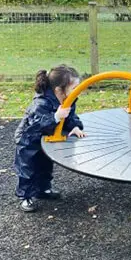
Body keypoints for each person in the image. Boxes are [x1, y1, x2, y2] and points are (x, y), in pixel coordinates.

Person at [14, 65, 85, 212]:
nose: (78, 91)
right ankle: (26, 196)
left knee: (45, 165)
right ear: (59, 90)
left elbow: (70, 116)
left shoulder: (69, 99)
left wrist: (74, 126)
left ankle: (43, 190)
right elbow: (37, 124)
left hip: (46, 139)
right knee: (28, 168)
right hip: (28, 140)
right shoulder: (41, 103)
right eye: (75, 87)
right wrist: (56, 117)